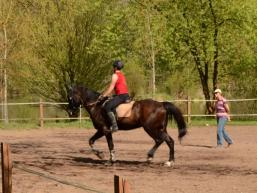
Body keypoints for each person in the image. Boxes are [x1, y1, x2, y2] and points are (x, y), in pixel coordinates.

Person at [99, 60, 130, 132]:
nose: (113, 68)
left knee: (107, 107)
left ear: (115, 67)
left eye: (113, 67)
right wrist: (113, 95)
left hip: (121, 96)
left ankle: (115, 126)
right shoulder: (122, 75)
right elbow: (121, 87)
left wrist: (103, 95)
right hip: (125, 95)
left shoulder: (114, 75)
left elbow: (111, 88)